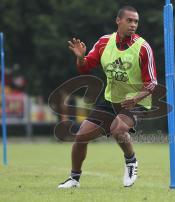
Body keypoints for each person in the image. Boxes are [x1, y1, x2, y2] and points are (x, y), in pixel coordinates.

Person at [58, 5, 157, 188]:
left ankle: (131, 162)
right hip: (111, 100)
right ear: (118, 21)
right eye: (129, 20)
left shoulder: (143, 48)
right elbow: (85, 67)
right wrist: (80, 58)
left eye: (136, 21)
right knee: (81, 136)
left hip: (138, 101)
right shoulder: (104, 42)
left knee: (117, 129)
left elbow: (152, 83)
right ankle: (74, 179)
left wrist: (136, 98)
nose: (133, 24)